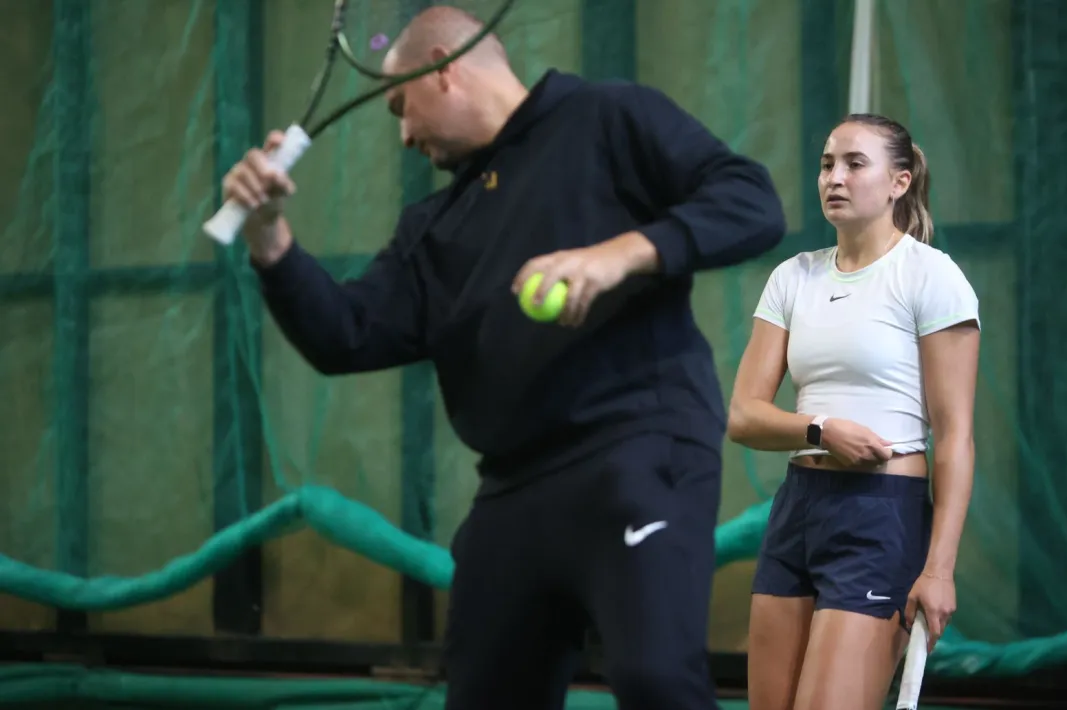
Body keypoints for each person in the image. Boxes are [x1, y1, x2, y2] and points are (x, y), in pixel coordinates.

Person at [220, 6, 787, 709]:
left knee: (657, 682)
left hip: (638, 452)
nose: (403, 135)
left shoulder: (606, 115)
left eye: (400, 107)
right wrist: (269, 237)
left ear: (443, 70)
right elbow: (344, 335)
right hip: (512, 493)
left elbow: (753, 203)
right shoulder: (431, 228)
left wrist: (621, 254)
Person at [726, 113, 980, 710]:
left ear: (899, 182)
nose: (834, 178)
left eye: (854, 164)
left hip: (882, 517)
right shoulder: (793, 277)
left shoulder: (930, 276)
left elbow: (956, 437)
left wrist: (939, 569)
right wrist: (820, 430)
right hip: (797, 511)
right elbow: (743, 416)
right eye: (826, 164)